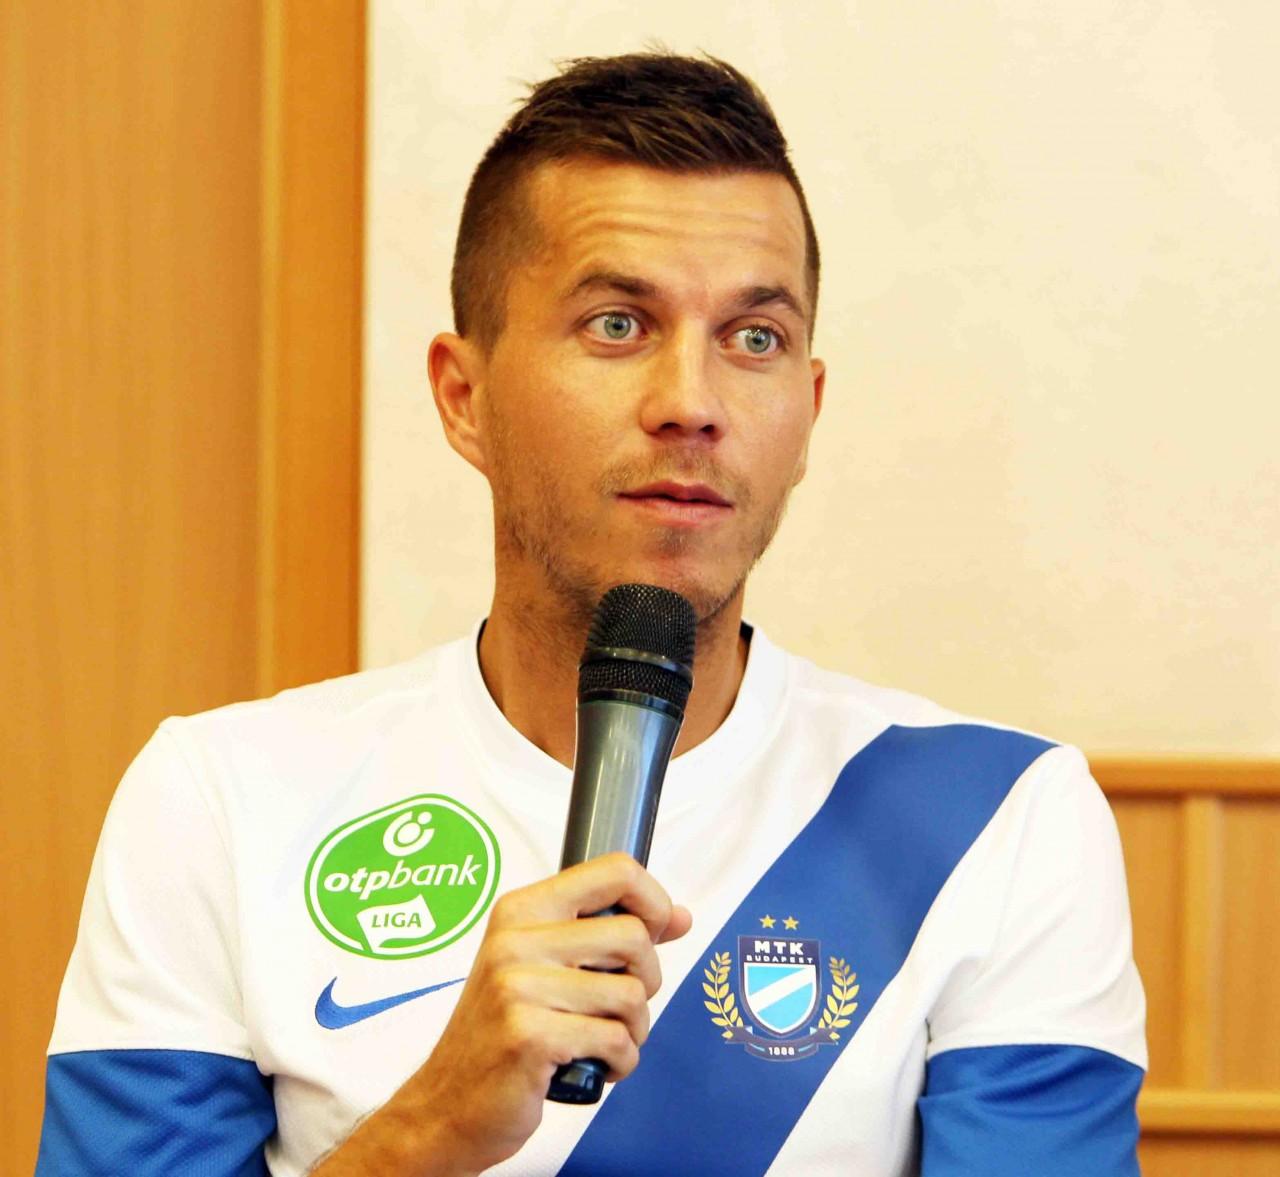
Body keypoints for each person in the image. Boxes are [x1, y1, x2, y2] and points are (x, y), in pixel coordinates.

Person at [37, 50, 1146, 1176]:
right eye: (617, 324)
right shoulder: (220, 800)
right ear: (463, 397)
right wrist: (429, 1130)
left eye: (753, 338)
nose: (691, 403)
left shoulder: (1000, 821)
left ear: (807, 412)